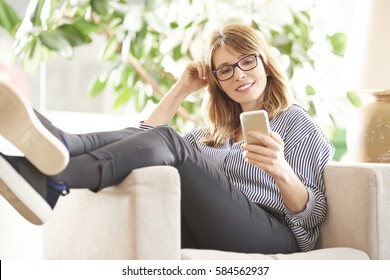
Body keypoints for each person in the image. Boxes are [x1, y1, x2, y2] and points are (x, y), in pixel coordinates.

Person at [0, 23, 334, 254]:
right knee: (164, 140)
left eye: (247, 61)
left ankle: (58, 177)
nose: (239, 74)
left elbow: (313, 216)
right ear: (217, 81)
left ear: (265, 63)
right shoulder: (210, 136)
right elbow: (143, 143)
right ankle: (63, 142)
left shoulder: (294, 122)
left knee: (171, 141)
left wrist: (281, 171)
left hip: (274, 234)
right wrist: (181, 89)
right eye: (226, 69)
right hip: (209, 227)